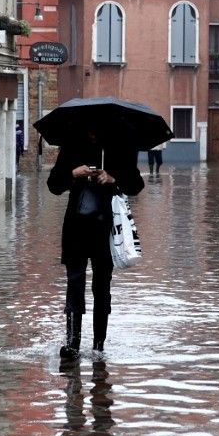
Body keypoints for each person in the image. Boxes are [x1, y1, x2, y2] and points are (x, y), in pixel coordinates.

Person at [48, 129, 144, 359]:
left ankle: (99, 346)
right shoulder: (72, 146)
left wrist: (113, 178)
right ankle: (72, 345)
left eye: (95, 131)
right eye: (89, 130)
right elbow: (53, 185)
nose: (92, 134)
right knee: (75, 284)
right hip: (76, 228)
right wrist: (73, 173)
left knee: (102, 288)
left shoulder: (120, 148)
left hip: (106, 229)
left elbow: (136, 184)